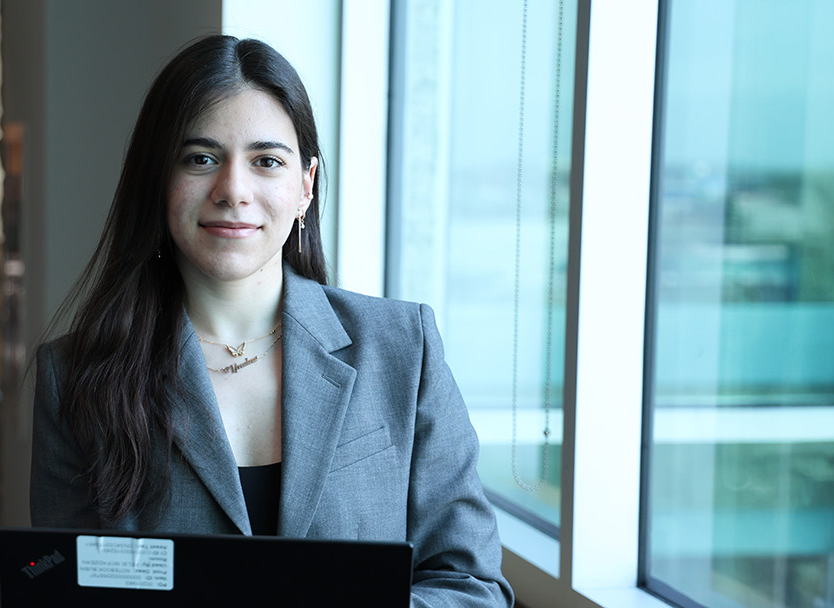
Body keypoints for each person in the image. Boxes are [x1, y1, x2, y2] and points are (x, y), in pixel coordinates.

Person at [29, 34, 514, 606]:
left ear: (305, 185)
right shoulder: (74, 375)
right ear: (158, 180)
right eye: (201, 158)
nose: (233, 191)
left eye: (266, 161)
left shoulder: (404, 349)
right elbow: (62, 593)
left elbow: (470, 584)